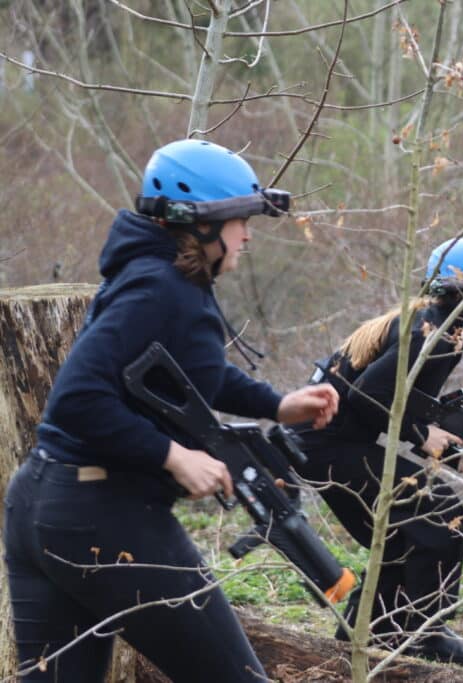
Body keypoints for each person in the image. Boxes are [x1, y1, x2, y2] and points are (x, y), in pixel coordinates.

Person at [3, 139, 340, 682]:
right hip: (105, 514)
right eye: (240, 220)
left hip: (44, 506)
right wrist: (174, 455)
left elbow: (187, 376)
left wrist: (277, 404)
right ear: (201, 223)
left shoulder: (156, 278)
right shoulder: (161, 288)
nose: (248, 235)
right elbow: (77, 398)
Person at [295, 237, 463, 665]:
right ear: (461, 290)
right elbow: (367, 394)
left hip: (328, 444)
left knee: (399, 540)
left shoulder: (443, 328)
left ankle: (357, 651)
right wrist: (422, 435)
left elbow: (400, 405)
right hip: (324, 444)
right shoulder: (436, 333)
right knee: (440, 511)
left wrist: (456, 457)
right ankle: (427, 636)